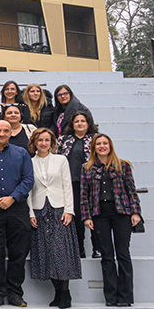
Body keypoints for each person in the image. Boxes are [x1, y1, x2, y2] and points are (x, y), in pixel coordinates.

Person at [80, 134, 142, 307]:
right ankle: (111, 297)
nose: (102, 146)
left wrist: (135, 213)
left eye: (105, 143)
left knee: (123, 254)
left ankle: (125, 296)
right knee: (107, 256)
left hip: (121, 214)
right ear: (93, 147)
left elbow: (132, 191)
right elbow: (84, 194)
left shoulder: (123, 165)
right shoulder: (87, 168)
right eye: (98, 144)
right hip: (100, 216)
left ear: (110, 145)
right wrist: (86, 216)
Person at [0, 120, 35, 307]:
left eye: (6, 131)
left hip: (17, 207)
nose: (2, 133)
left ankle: (15, 292)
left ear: (11, 133)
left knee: (18, 252)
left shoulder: (22, 153)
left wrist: (12, 197)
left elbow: (28, 180)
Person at [28, 128, 81, 309]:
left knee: (61, 251)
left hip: (59, 210)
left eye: (47, 140)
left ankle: (65, 293)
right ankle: (57, 292)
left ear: (52, 142)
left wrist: (69, 210)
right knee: (46, 252)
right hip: (39, 209)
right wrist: (30, 213)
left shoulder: (61, 160)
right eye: (40, 140)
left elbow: (67, 185)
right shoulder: (29, 162)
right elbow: (29, 190)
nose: (43, 143)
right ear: (35, 142)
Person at [56, 111, 99, 258]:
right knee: (76, 216)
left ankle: (97, 248)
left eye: (83, 121)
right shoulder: (63, 140)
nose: (80, 124)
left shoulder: (96, 139)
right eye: (77, 121)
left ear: (88, 123)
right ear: (72, 124)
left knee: (95, 214)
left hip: (93, 182)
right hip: (71, 182)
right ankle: (78, 248)